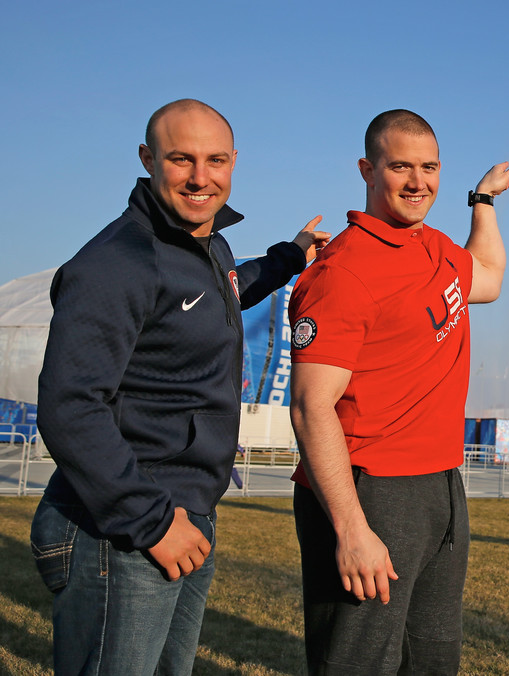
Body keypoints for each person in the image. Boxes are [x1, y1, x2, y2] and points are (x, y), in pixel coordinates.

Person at [29, 99, 328, 675]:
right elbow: (70, 408)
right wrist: (151, 521)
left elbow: (224, 291)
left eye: (215, 159)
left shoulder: (204, 249)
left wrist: (289, 256)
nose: (200, 176)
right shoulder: (116, 263)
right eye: (180, 159)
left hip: (182, 514)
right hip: (122, 530)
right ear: (147, 159)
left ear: (234, 161)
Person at [288, 109, 509, 674]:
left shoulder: (433, 246)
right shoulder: (343, 272)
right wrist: (351, 528)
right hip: (371, 490)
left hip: (441, 483)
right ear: (367, 170)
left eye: (429, 167)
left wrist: (482, 202)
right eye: (400, 167)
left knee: (432, 657)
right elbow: (309, 406)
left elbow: (487, 275)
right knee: (359, 660)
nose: (418, 183)